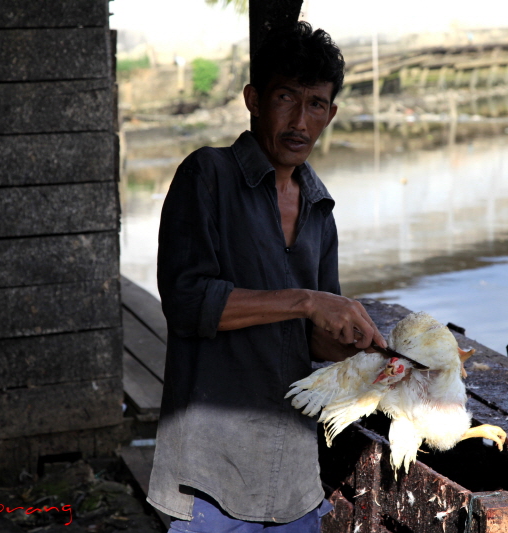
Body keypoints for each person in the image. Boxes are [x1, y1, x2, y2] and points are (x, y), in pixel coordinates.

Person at [147, 21, 387, 533]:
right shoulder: (206, 176)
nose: (301, 121)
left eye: (317, 104)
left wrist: (368, 353)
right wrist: (306, 301)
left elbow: (315, 342)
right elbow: (188, 303)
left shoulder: (320, 208)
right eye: (286, 98)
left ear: (332, 112)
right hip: (211, 479)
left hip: (295, 479)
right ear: (254, 99)